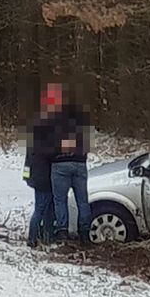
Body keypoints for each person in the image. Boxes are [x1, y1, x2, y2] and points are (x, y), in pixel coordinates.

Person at [50, 83, 93, 244]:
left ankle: (62, 231)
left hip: (60, 163)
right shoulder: (81, 120)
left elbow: (48, 144)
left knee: (60, 200)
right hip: (79, 163)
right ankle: (85, 233)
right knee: (83, 200)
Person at [23, 85, 60, 247]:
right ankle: (33, 239)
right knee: (42, 208)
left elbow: (30, 153)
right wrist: (60, 149)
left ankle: (47, 237)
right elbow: (45, 151)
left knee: (48, 208)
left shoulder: (38, 122)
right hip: (43, 174)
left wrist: (26, 174)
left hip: (38, 173)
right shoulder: (45, 124)